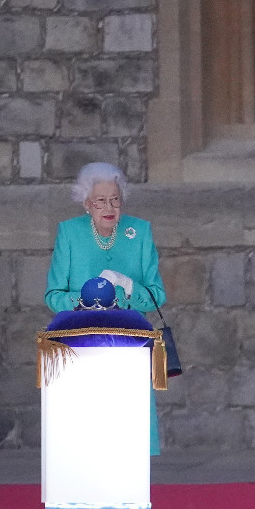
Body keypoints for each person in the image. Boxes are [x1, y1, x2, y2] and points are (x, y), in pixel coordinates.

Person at [44, 162, 166, 453]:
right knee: (88, 434)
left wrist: (128, 287)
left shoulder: (140, 231)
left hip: (129, 345)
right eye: (100, 201)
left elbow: (156, 296)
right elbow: (53, 296)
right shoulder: (70, 233)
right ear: (87, 203)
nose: (109, 207)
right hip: (82, 344)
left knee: (127, 432)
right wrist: (90, 298)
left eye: (115, 199)